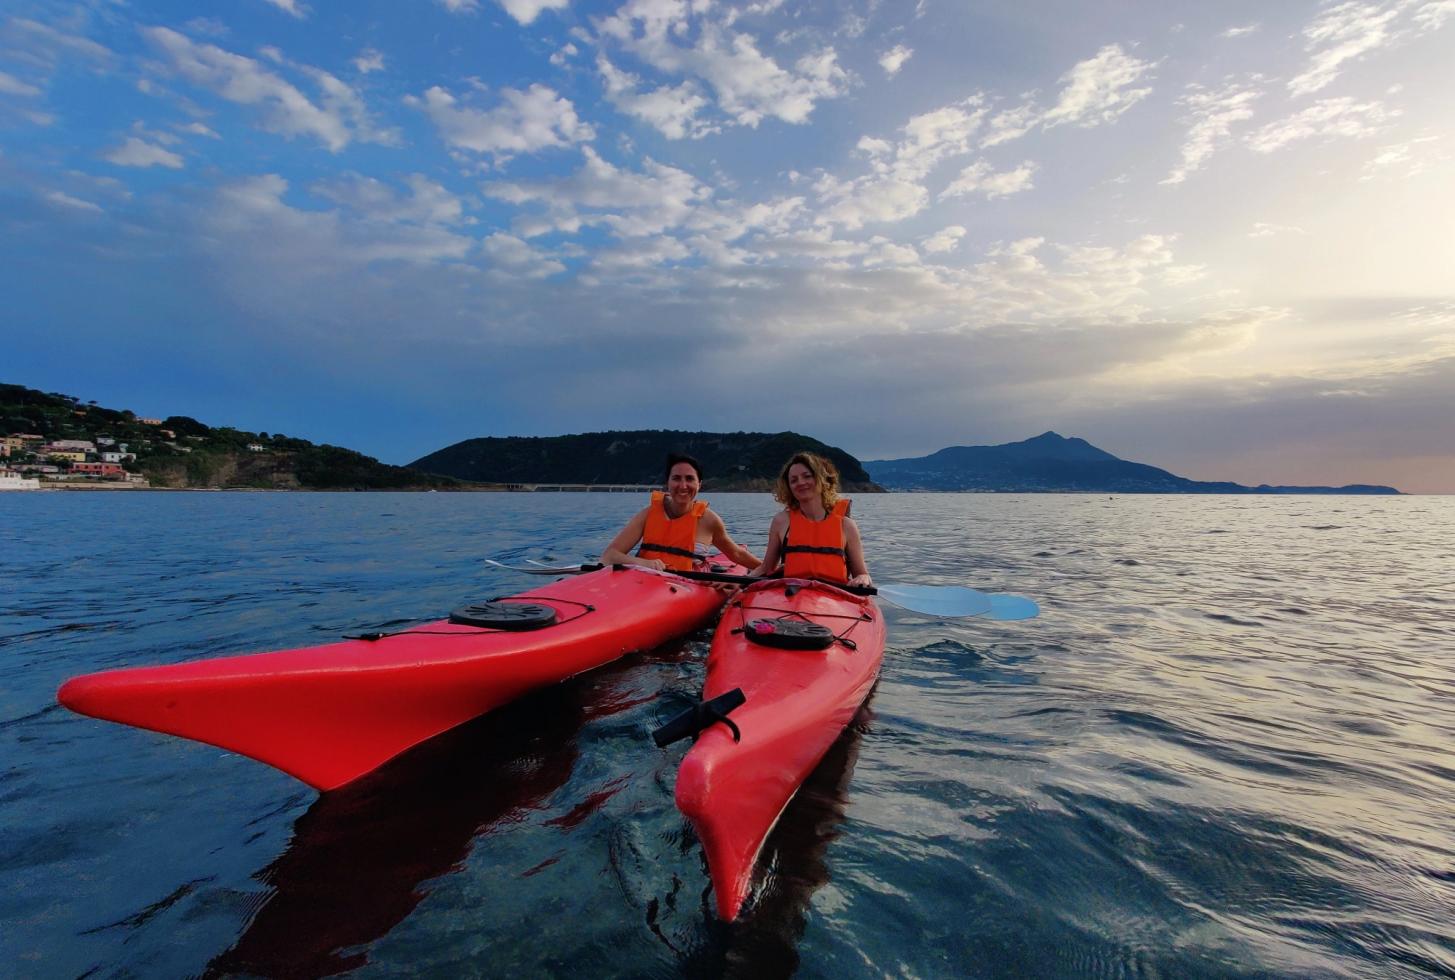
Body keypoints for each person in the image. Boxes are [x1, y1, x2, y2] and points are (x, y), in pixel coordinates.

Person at [601, 453, 760, 572]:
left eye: (690, 479)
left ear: (699, 484)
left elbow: (737, 555)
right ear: (667, 483)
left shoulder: (709, 520)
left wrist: (771, 568)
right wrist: (644, 563)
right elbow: (609, 556)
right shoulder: (647, 515)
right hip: (645, 582)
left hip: (689, 587)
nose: (683, 486)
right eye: (676, 478)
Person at [746, 452, 872, 587]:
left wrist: (863, 578)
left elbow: (862, 574)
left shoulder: (846, 525)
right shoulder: (781, 521)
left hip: (833, 600)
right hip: (790, 598)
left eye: (807, 476)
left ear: (821, 479)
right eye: (793, 480)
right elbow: (766, 568)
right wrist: (741, 583)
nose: (800, 483)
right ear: (789, 488)